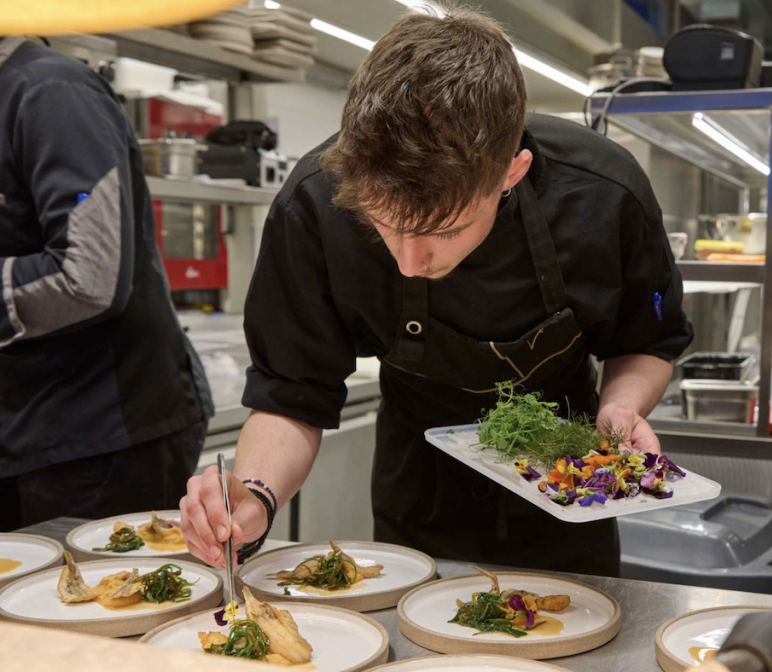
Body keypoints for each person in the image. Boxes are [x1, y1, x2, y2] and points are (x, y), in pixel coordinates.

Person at [178, 7, 692, 577]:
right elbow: (291, 391)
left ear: (511, 174)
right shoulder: (313, 205)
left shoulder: (605, 196)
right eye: (382, 225)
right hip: (416, 503)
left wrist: (620, 407)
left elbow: (647, 342)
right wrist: (255, 494)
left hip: (571, 490)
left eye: (442, 231)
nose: (409, 262)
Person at [0, 37, 214, 530]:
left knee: (114, 602)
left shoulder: (52, 91)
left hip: (100, 435)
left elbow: (88, 276)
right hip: (29, 426)